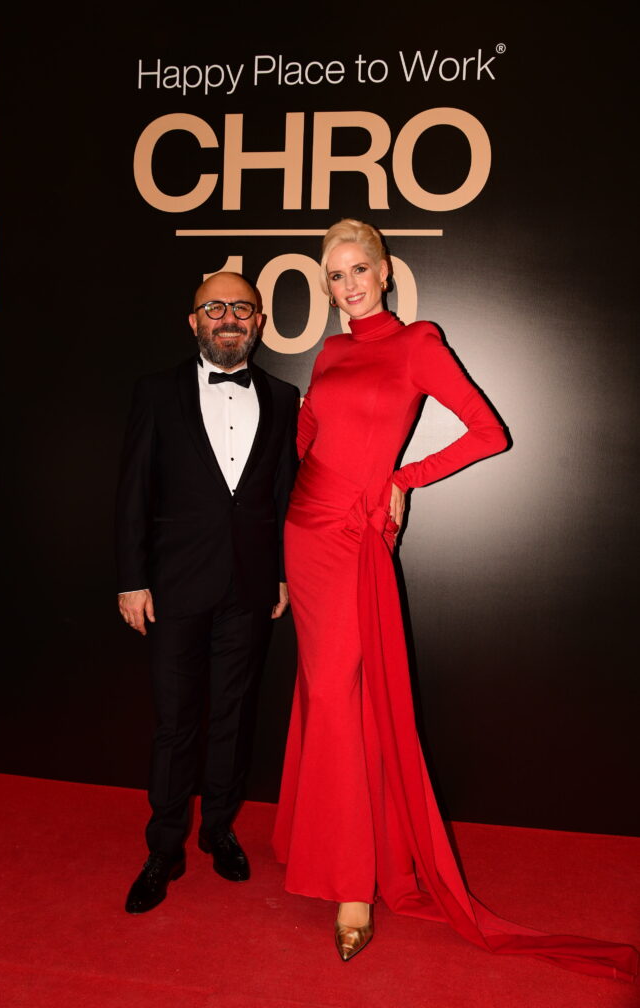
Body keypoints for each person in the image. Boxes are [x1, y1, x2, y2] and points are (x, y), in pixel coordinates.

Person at [272, 219, 638, 980]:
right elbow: (306, 436)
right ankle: (320, 847)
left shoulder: (419, 344)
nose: (347, 284)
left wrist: (402, 480)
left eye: (358, 269)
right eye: (334, 274)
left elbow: (486, 432)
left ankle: (353, 887)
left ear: (384, 271)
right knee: (325, 693)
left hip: (355, 536)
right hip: (305, 531)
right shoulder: (330, 351)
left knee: (342, 697)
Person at [117, 271, 298, 914]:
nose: (228, 318)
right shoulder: (155, 391)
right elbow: (134, 490)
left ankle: (219, 829)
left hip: (250, 584)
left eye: (241, 308)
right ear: (193, 321)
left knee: (233, 716)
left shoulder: (284, 396)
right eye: (214, 308)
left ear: (259, 321)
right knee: (175, 723)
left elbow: (284, 493)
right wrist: (132, 578)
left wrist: (282, 572)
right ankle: (164, 848)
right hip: (174, 585)